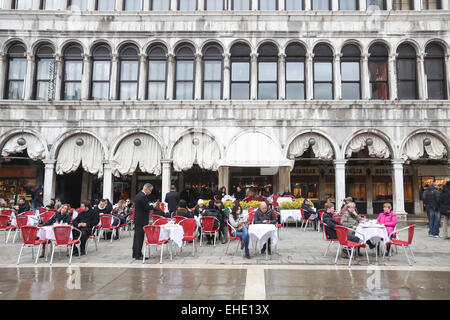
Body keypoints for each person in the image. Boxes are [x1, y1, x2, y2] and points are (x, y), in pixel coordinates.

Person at [132, 183, 154, 260]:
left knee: (137, 237)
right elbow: (146, 207)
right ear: (147, 189)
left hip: (138, 219)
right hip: (141, 220)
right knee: (139, 238)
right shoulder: (142, 196)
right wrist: (153, 206)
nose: (150, 192)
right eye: (150, 190)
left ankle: (135, 253)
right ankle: (138, 254)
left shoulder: (139, 195)